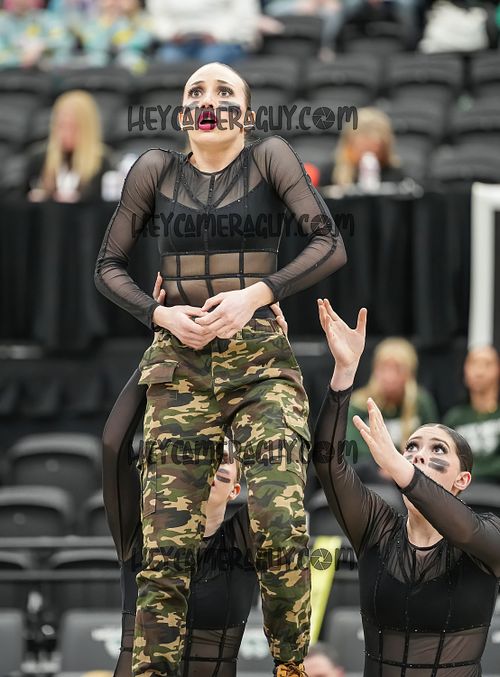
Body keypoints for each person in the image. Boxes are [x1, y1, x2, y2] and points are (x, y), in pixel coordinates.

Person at [94, 61, 347, 677]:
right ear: (185, 114)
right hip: (178, 360)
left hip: (259, 357)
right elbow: (107, 266)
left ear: (247, 115)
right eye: (196, 91)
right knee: (166, 551)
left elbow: (330, 243)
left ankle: (291, 667)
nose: (209, 99)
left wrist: (257, 295)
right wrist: (159, 314)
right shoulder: (154, 169)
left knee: (280, 522)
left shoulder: (270, 157)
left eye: (224, 90)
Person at [103, 278, 288, 677]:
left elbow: (283, 466)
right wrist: (160, 349)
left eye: (226, 450)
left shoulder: (245, 538)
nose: (213, 453)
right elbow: (114, 445)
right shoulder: (141, 529)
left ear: (237, 485)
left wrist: (275, 360)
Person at [312, 298, 500, 675]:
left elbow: (463, 530)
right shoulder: (377, 529)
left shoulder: (489, 532)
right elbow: (328, 465)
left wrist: (400, 466)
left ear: (463, 480)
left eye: (437, 449)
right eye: (411, 447)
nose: (418, 455)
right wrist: (344, 372)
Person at [346, 336, 438, 482]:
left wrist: (400, 466)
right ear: (375, 370)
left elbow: (432, 444)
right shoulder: (359, 404)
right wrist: (387, 466)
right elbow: (353, 450)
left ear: (410, 373)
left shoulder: (421, 403)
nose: (389, 376)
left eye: (397, 369)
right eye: (384, 368)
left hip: (414, 474)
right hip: (370, 478)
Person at [25, 90, 114, 203]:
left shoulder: (103, 163)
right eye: (61, 126)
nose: (65, 134)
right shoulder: (39, 159)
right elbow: (20, 200)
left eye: (73, 127)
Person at [443, 345, 500, 483]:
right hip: (463, 489)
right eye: (474, 363)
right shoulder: (454, 417)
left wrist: (468, 471)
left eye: (487, 364)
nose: (479, 371)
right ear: (465, 371)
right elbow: (445, 460)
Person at [147, 0, 260, 64]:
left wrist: (218, 34)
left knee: (209, 63)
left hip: (223, 42)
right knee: (168, 59)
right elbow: (158, 16)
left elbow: (243, 15)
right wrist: (170, 33)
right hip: (179, 44)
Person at [325, 108, 404, 188]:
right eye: (362, 149)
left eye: (374, 149)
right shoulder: (331, 173)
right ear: (349, 145)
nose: (368, 155)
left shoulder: (398, 177)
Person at [0, 0, 74, 68]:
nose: (21, 1)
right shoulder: (3, 23)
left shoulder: (47, 18)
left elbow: (64, 40)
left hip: (48, 71)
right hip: (11, 72)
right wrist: (21, 58)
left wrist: (42, 46)